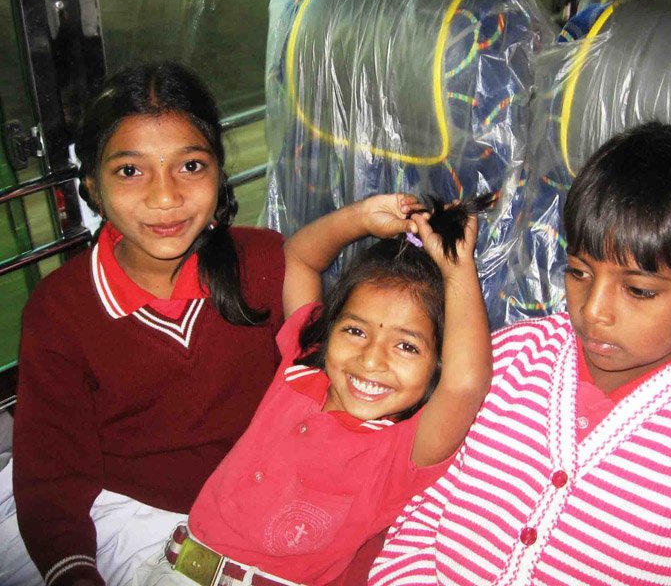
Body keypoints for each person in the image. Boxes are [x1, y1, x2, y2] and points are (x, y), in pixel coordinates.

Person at [369, 123, 671, 585]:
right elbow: (421, 509)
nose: (593, 311)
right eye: (579, 272)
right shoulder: (507, 360)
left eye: (638, 290)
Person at [0, 62, 285, 586]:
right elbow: (51, 473)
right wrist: (73, 570)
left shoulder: (268, 264)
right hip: (126, 514)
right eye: (130, 171)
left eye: (190, 166)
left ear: (219, 172)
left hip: (256, 502)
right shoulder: (60, 310)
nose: (165, 197)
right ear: (93, 185)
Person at [137, 192, 494, 586]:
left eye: (406, 346)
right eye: (355, 331)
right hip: (171, 568)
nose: (371, 360)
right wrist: (360, 218)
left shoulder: (406, 448)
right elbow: (300, 258)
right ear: (329, 329)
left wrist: (457, 269)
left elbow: (465, 384)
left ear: (437, 365)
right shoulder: (301, 366)